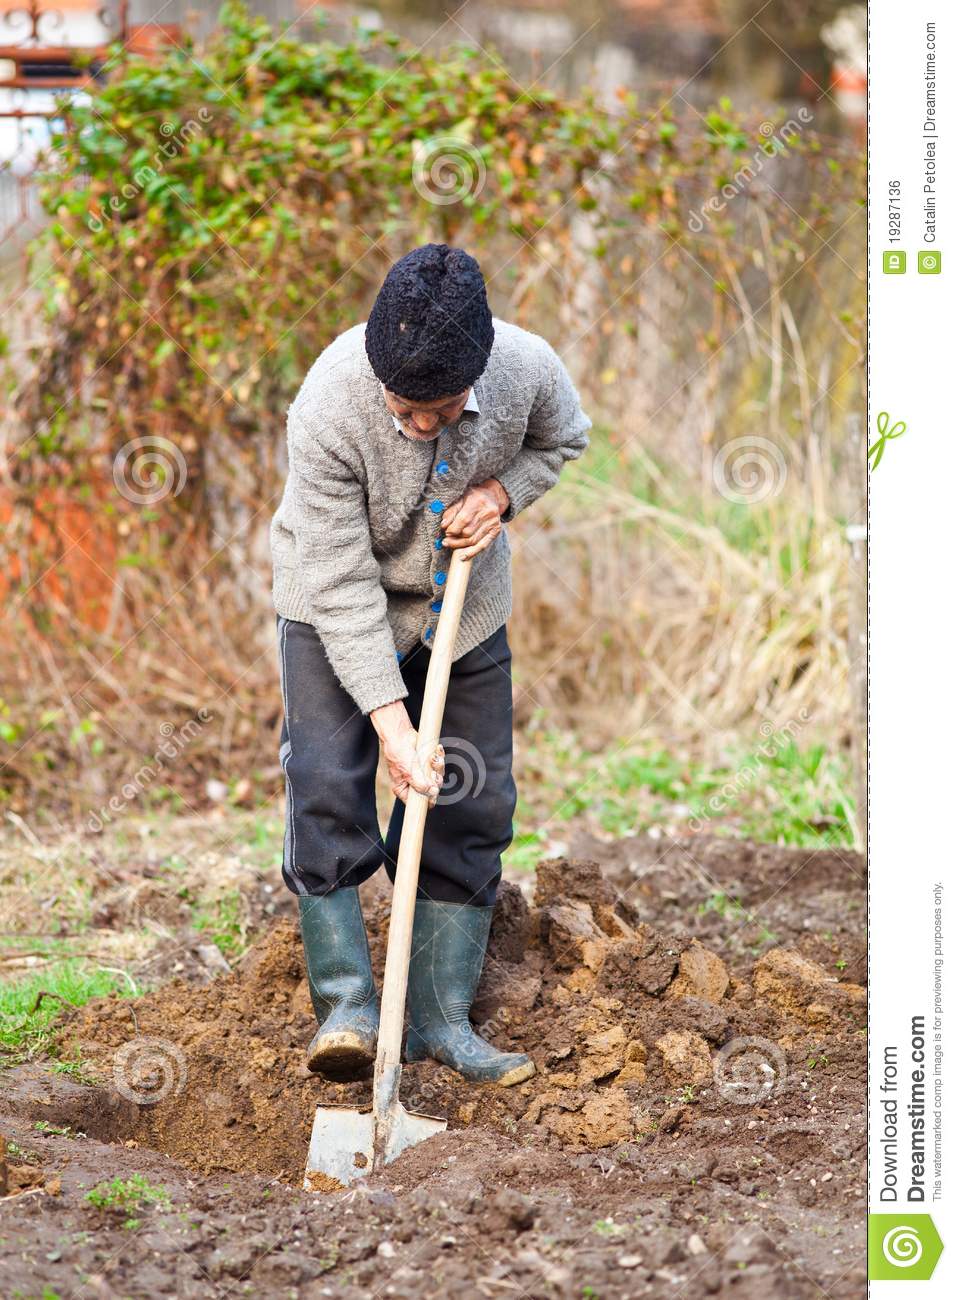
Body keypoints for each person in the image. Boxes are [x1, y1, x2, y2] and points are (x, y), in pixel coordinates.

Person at [270, 242, 590, 1086]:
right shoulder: (329, 406)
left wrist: (501, 493)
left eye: (439, 410)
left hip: (465, 609)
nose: (418, 425)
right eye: (402, 407)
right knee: (328, 784)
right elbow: (336, 578)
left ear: (477, 376)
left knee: (472, 797)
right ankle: (346, 1008)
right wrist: (391, 723)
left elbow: (566, 439)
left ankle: (439, 1021)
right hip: (335, 602)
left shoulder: (527, 368)